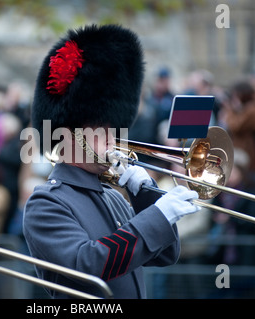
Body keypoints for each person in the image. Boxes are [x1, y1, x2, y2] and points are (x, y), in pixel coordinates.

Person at [23, 25, 201, 299]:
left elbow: (165, 255)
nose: (113, 137)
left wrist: (148, 197)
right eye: (102, 129)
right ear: (71, 136)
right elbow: (87, 263)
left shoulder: (113, 196)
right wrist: (158, 216)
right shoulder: (47, 203)